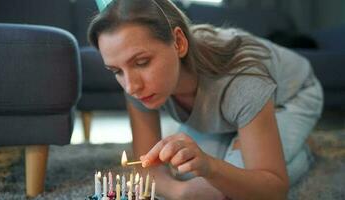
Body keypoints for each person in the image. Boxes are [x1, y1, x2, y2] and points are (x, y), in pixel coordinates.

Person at [88, 0, 323, 199]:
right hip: (230, 110)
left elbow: (274, 189)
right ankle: (252, 141)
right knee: (189, 173)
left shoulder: (244, 82)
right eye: (116, 71)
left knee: (233, 188)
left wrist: (212, 168)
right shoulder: (138, 83)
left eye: (142, 62)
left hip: (292, 94)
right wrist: (181, 191)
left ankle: (303, 151)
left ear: (179, 43)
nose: (131, 86)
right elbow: (148, 168)